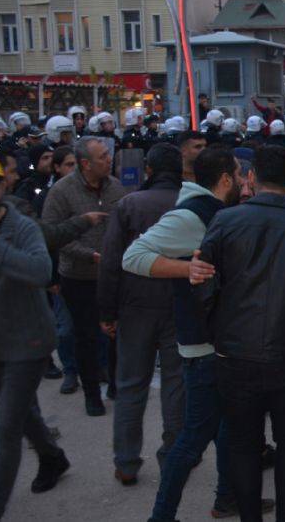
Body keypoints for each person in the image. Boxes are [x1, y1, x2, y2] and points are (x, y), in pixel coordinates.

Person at [124, 147, 258, 522]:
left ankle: (227, 498)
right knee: (193, 438)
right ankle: (161, 515)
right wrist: (186, 270)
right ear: (226, 179)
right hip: (203, 346)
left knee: (227, 431)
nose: (244, 181)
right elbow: (133, 256)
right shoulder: (189, 215)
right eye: (238, 173)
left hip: (219, 342)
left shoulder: (213, 212)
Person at [191, 145, 285, 522]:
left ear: (251, 178)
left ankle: (250, 517)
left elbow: (203, 281)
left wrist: (217, 329)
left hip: (235, 353)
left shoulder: (225, 221)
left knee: (243, 445)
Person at [0, 153, 71, 521]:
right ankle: (53, 457)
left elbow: (41, 271)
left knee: (5, 425)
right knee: (22, 414)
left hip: (29, 341)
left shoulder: (21, 227)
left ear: (4, 185)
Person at [97, 143, 186, 486]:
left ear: (148, 170)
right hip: (181, 305)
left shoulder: (130, 204)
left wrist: (107, 310)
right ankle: (175, 456)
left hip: (135, 307)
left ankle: (126, 462)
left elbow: (110, 261)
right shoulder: (191, 203)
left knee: (131, 384)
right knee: (176, 385)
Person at [41, 136, 126, 417]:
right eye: (102, 156)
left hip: (113, 275)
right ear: (86, 164)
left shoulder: (115, 187)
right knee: (86, 335)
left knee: (117, 333)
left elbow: (126, 224)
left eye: (108, 154)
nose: (109, 159)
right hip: (78, 277)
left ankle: (115, 383)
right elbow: (52, 234)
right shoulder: (62, 192)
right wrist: (88, 255)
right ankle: (92, 394)